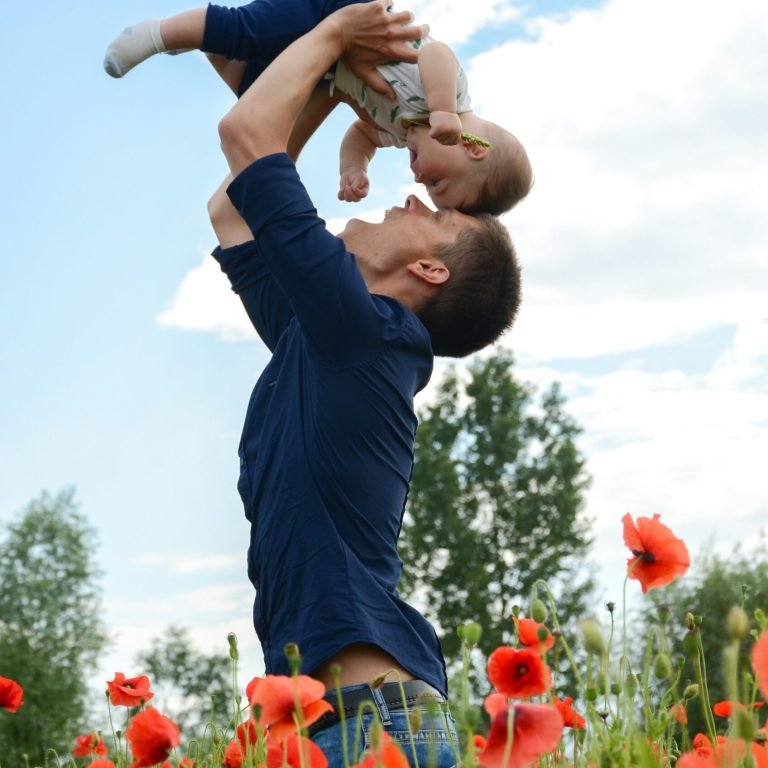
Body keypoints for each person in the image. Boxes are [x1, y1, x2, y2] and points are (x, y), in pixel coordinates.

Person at [207, 2, 521, 764]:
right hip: (352, 722)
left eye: (436, 216)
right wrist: (335, 86)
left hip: (371, 724)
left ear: (429, 270)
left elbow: (246, 138)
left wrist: (334, 34)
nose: (414, 194)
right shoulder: (323, 335)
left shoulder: (364, 334)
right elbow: (231, 208)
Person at [104, 0, 532, 215]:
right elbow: (438, 55)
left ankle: (202, 38)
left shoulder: (402, 131)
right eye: (437, 183)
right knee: (250, 32)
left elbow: (361, 135)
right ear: (474, 147)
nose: (419, 178)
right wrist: (441, 110)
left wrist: (355, 168)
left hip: (330, 56)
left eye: (426, 189)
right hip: (342, 8)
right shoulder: (450, 100)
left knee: (257, 89)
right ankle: (159, 33)